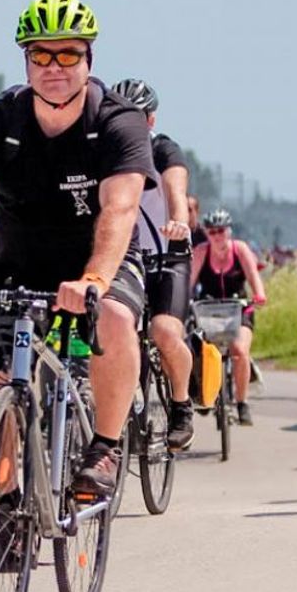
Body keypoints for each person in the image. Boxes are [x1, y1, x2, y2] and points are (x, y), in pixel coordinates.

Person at [0, 0, 153, 504]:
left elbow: (120, 208)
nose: (54, 66)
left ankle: (104, 447)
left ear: (88, 58)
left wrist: (94, 279)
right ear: (26, 60)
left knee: (115, 316)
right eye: (41, 55)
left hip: (99, 262)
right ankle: (9, 501)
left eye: (68, 54)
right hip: (17, 265)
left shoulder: (116, 121)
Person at [112, 77, 196, 451]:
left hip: (167, 255)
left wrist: (178, 222)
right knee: (113, 332)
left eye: (137, 116)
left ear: (150, 120)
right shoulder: (105, 152)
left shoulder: (163, 150)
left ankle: (181, 405)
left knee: (163, 332)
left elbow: (176, 191)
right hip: (125, 258)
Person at [189, 208, 267, 426]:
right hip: (208, 310)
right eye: (212, 231)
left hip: (239, 308)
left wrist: (259, 295)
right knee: (199, 350)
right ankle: (205, 392)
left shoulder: (240, 249)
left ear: (229, 231)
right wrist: (184, 301)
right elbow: (189, 283)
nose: (217, 236)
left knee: (239, 350)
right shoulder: (201, 252)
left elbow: (253, 276)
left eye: (221, 230)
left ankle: (242, 403)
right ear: (206, 233)